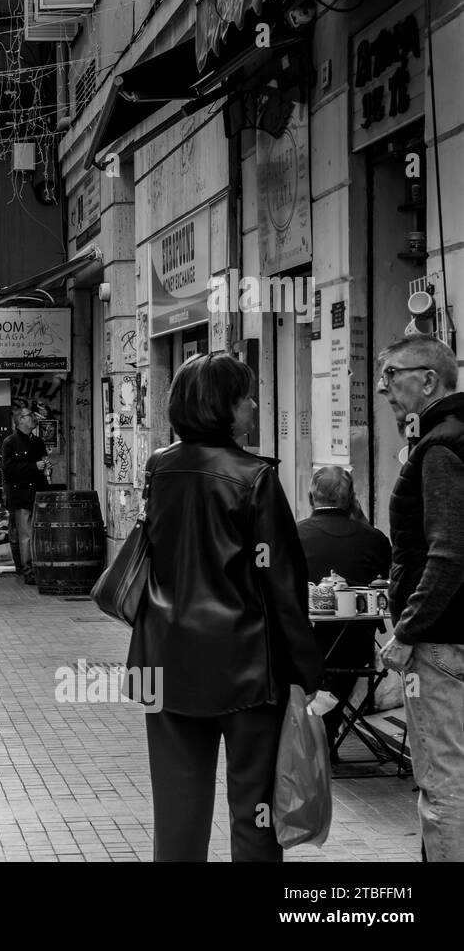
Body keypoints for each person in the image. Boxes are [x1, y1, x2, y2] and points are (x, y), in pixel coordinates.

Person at [126, 353, 322, 862]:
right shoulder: (254, 477)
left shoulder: (158, 469)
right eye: (247, 396)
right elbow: (283, 584)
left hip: (164, 661)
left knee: (177, 810)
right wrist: (307, 672)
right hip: (245, 668)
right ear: (225, 407)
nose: (255, 405)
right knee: (254, 815)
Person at [375, 334, 464, 861]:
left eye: (393, 375)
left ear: (428, 380)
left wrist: (406, 632)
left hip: (440, 643)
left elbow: (448, 554)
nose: (383, 387)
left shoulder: (440, 447)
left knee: (443, 783)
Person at [296, 466, 393, 755]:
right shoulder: (374, 538)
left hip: (306, 644)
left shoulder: (295, 534)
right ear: (351, 498)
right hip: (356, 644)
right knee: (339, 669)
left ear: (311, 495)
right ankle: (325, 729)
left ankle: (315, 733)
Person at [1, 406, 50, 585]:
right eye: (30, 415)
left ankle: (39, 567)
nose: (33, 418)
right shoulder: (10, 442)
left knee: (38, 533)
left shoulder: (38, 441)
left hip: (39, 493)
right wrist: (32, 467)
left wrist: (46, 468)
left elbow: (44, 462)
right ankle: (28, 570)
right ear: (21, 420)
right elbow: (8, 469)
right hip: (21, 494)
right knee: (26, 534)